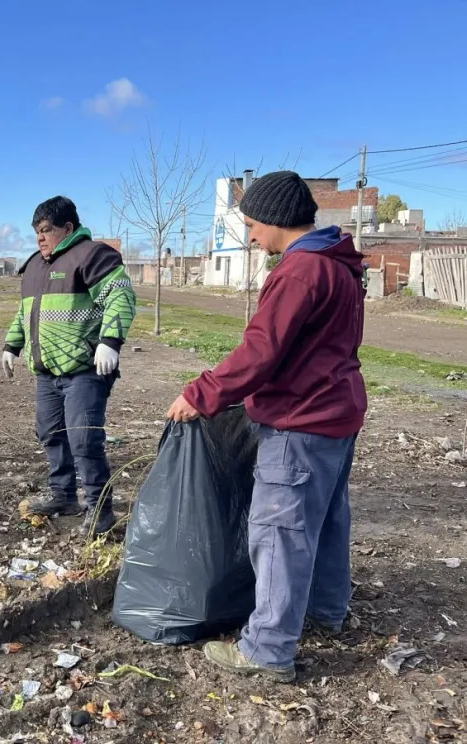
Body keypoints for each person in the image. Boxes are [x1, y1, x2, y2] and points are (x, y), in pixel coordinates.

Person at [166, 171, 367, 682]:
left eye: (253, 225)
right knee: (324, 520)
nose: (252, 236)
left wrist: (201, 393)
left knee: (279, 530)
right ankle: (326, 609)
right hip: (336, 414)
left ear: (276, 220)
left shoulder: (301, 272)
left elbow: (261, 352)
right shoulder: (340, 265)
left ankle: (268, 648)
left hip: (301, 419)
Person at [3, 196, 136, 536]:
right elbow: (25, 313)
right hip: (48, 372)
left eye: (46, 230)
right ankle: (64, 495)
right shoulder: (34, 266)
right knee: (50, 433)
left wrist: (110, 341)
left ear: (68, 228)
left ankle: (100, 511)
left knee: (83, 440)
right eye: (36, 232)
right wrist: (11, 346)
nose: (40, 238)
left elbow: (120, 294)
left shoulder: (91, 256)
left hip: (84, 370)